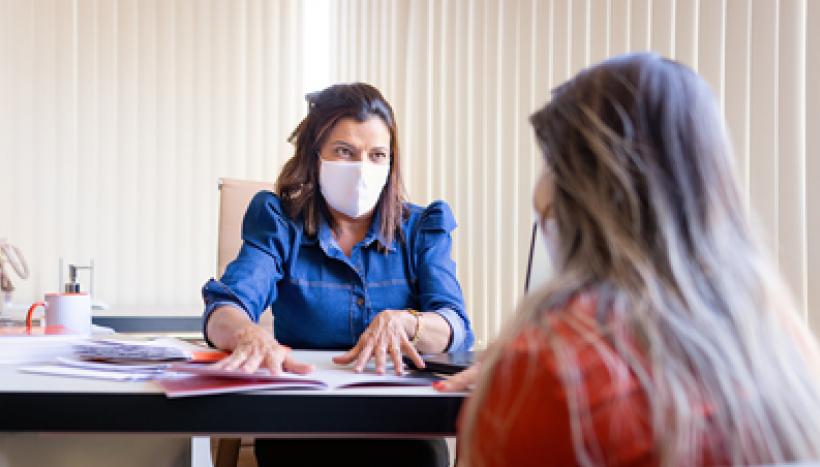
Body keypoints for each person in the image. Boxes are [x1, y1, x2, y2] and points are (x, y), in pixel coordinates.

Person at [436, 53, 820, 466]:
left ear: (580, 189)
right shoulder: (786, 353)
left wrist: (509, 386)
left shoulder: (549, 371)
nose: (539, 193)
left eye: (549, 165)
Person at [202, 82, 473, 466]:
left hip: (402, 429)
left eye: (377, 155)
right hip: (303, 425)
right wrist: (247, 334)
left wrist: (407, 323)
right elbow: (226, 305)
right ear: (315, 157)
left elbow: (455, 325)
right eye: (345, 152)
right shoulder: (279, 221)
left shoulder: (422, 227)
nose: (362, 168)